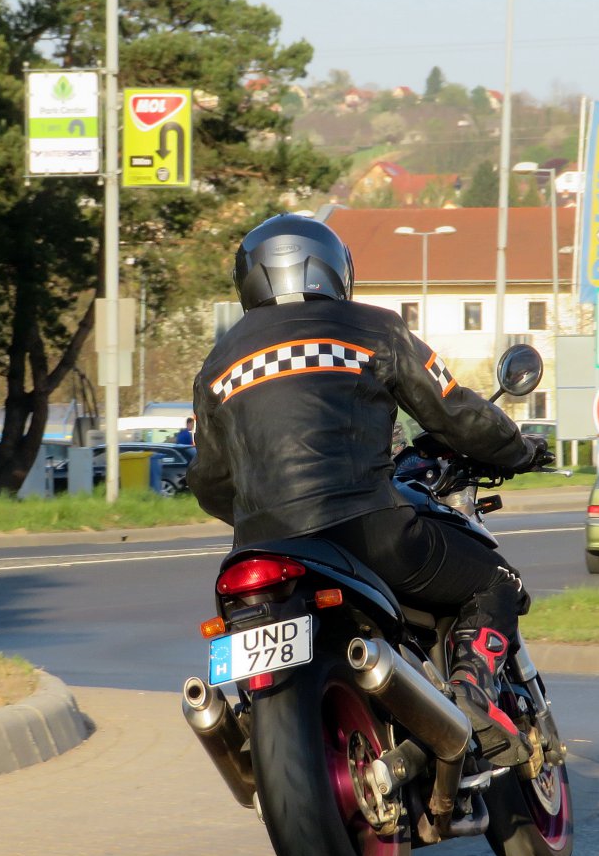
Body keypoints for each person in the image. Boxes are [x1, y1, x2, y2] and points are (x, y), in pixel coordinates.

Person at [187, 214, 553, 766]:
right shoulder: (373, 329)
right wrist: (520, 450)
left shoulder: (217, 366)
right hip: (364, 527)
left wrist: (265, 511)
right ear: (334, 270)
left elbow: (211, 482)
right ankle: (472, 694)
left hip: (258, 550)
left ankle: (249, 734)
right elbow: (454, 412)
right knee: (494, 580)